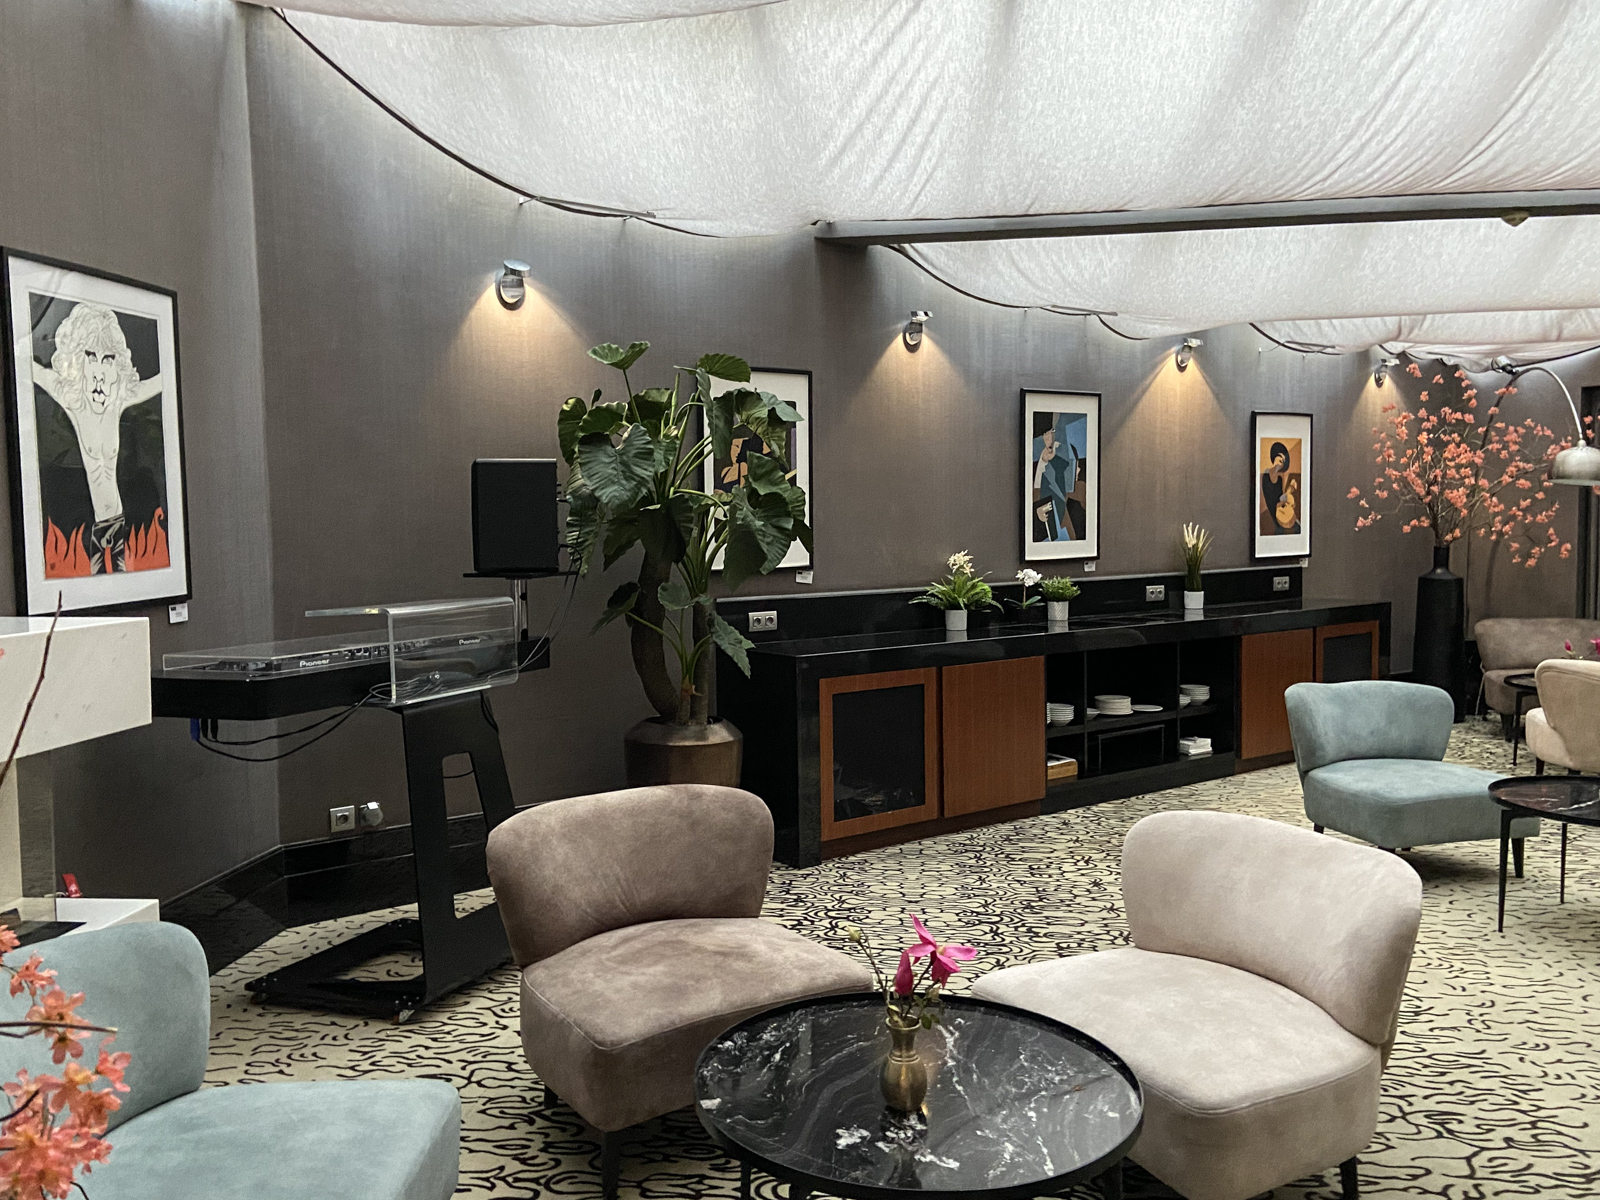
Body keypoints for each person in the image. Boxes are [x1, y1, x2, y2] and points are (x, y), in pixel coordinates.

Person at [29, 303, 161, 573]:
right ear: (78, 358)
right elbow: (31, 370)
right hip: (94, 525)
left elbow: (160, 382)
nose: (99, 371)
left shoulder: (118, 400)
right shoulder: (72, 399)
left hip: (118, 522)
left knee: (122, 583)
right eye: (91, 357)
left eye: (107, 359)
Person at [1032, 414, 1081, 541]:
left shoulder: (1063, 452)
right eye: (1046, 433)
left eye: (1052, 431)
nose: (1049, 437)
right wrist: (1036, 511)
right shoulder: (1038, 465)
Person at [1260, 440, 1300, 536]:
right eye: (1279, 457)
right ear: (1274, 457)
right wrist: (1288, 492)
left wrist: (1290, 489)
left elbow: (1281, 497)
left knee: (1297, 526)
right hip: (1276, 512)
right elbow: (1274, 502)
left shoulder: (1279, 479)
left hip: (1281, 508)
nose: (1280, 462)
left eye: (1283, 461)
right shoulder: (1266, 477)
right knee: (1281, 529)